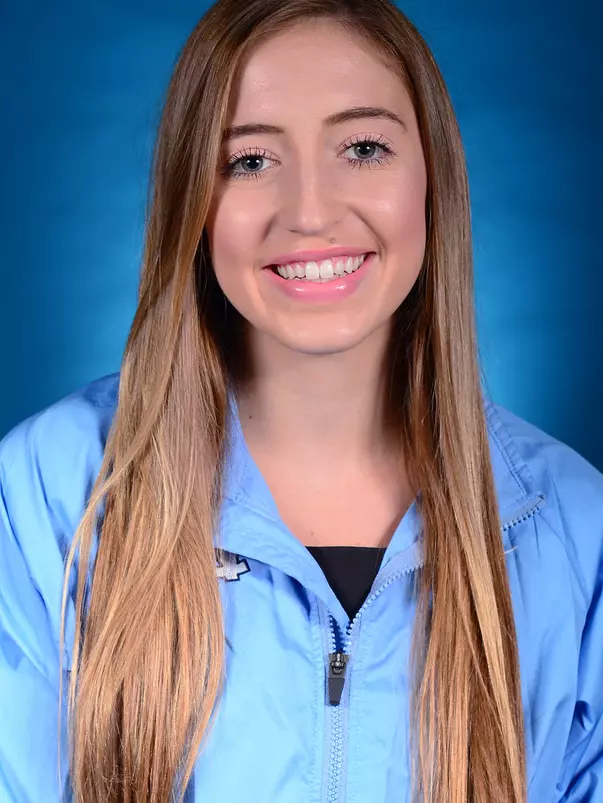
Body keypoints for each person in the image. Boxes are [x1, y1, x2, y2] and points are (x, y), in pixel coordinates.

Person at [1, 0, 602, 801]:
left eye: (362, 147)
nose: (311, 212)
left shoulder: (572, 527)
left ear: (432, 178)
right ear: (194, 200)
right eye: (248, 160)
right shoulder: (46, 496)